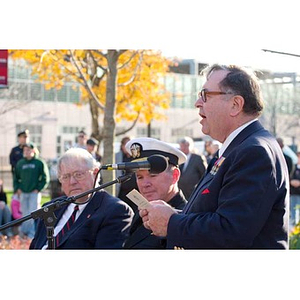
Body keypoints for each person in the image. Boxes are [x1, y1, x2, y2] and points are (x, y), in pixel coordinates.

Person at [140, 63, 289, 249]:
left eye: (205, 95)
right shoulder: (238, 147)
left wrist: (171, 223)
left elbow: (231, 231)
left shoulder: (253, 151)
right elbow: (217, 215)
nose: (198, 103)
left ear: (235, 105)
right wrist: (172, 215)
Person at [30, 147, 133, 249]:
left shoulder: (115, 211)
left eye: (78, 175)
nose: (72, 182)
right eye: (65, 177)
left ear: (95, 173)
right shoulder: (50, 208)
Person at [123, 137, 187, 249]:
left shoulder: (185, 218)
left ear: (174, 176)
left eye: (153, 175)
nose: (145, 184)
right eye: (139, 177)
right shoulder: (142, 210)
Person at [13, 143, 50, 239]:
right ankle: (23, 233)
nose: (26, 152)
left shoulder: (39, 162)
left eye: (28, 150)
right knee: (24, 213)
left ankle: (32, 234)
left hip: (34, 193)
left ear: (33, 151)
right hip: (23, 192)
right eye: (25, 150)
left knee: (34, 213)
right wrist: (18, 189)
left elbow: (45, 178)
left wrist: (38, 189)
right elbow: (16, 177)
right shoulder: (20, 163)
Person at [115, 136, 139, 211]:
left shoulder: (137, 157)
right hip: (122, 191)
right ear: (122, 146)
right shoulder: (117, 156)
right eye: (126, 145)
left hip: (135, 191)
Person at [289, 151, 300, 230]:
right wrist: (291, 181)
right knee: (293, 209)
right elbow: (289, 176)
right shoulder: (293, 167)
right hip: (293, 192)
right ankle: (293, 225)